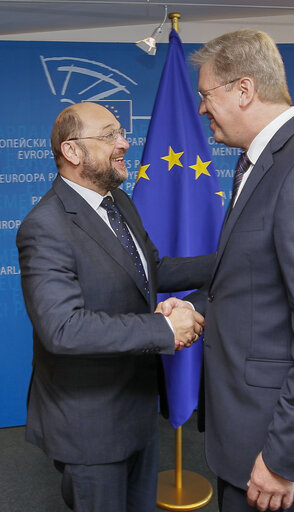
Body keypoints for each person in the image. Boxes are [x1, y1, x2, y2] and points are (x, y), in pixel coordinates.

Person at [161, 29, 294, 512]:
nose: (201, 109)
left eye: (206, 95)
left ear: (244, 90)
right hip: (243, 430)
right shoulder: (256, 163)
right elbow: (250, 277)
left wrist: (286, 457)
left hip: (273, 444)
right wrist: (195, 306)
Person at [16, 101, 214, 512]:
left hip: (136, 408)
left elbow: (150, 270)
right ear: (72, 152)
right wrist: (164, 330)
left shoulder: (118, 202)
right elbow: (63, 329)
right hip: (90, 424)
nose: (124, 143)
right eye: (109, 135)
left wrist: (230, 259)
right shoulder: (45, 227)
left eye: (121, 132)